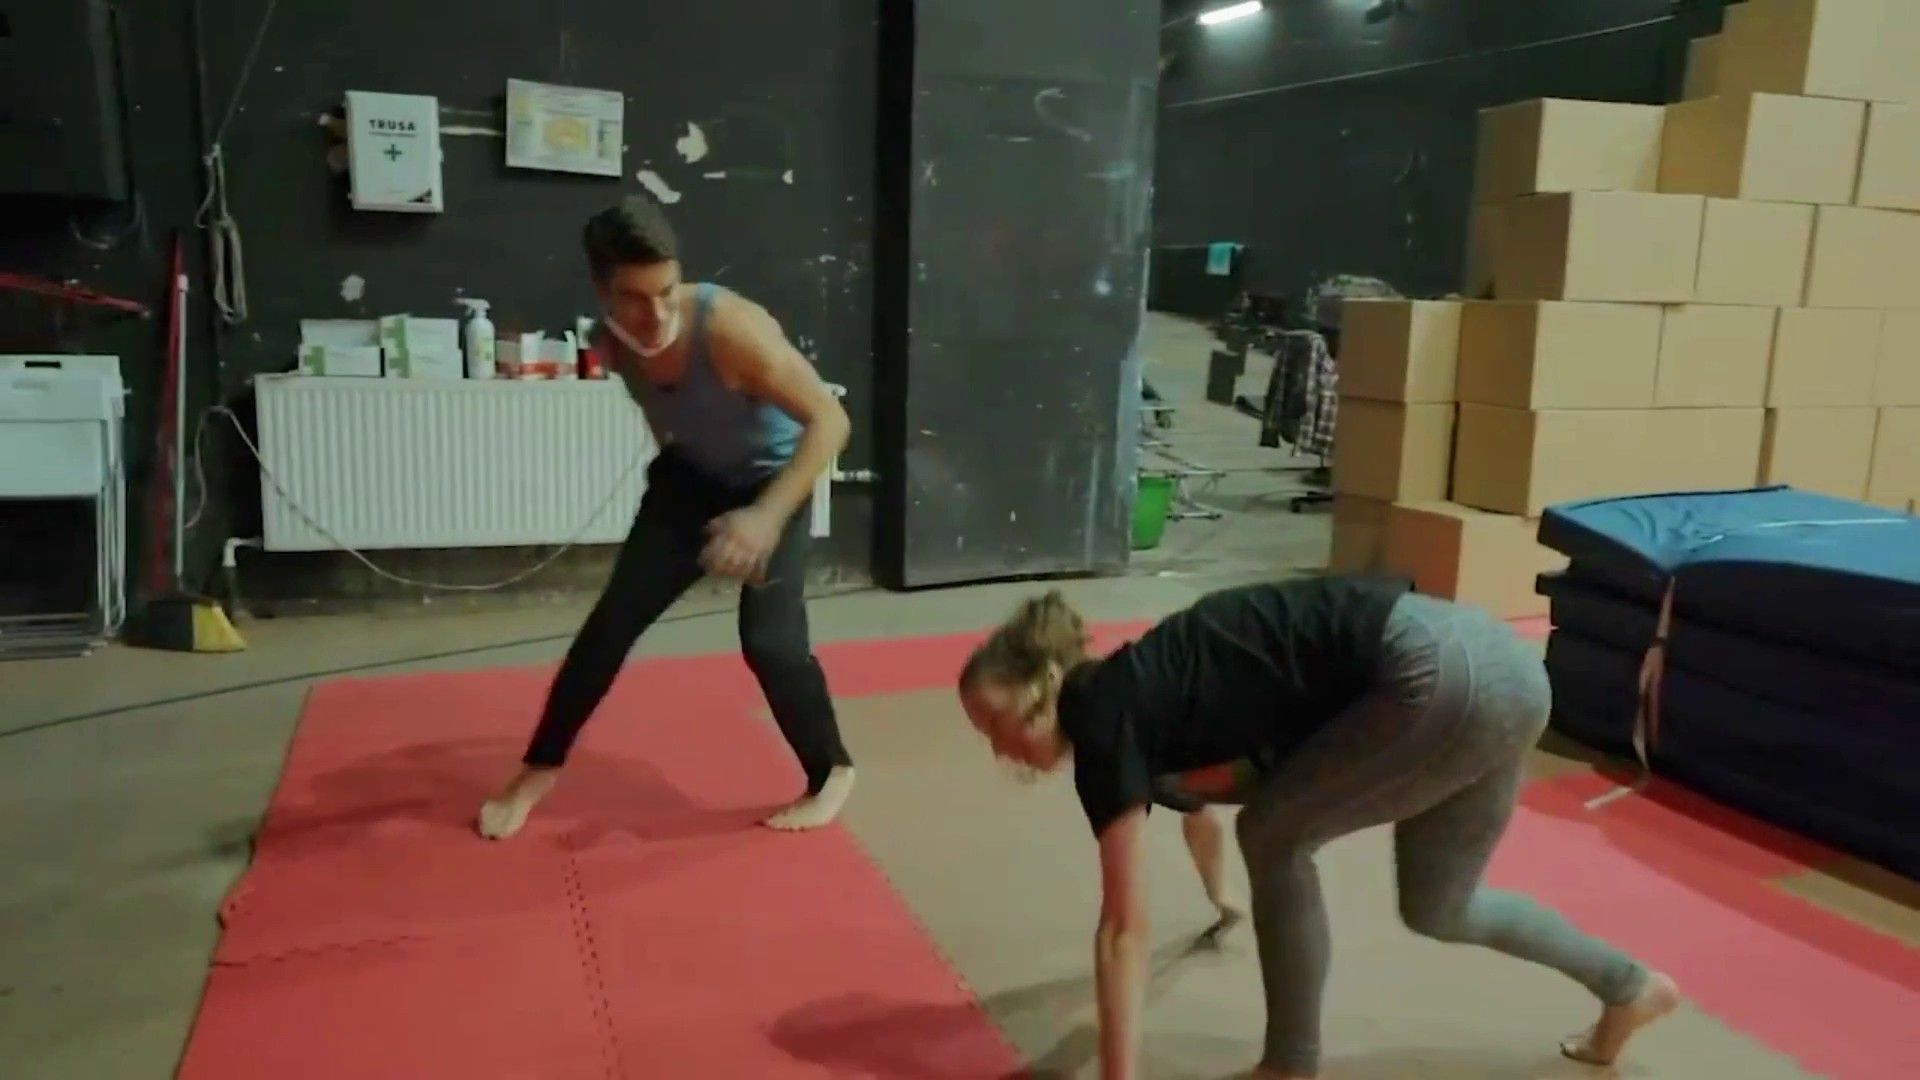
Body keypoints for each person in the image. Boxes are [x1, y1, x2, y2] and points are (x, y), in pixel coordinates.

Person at [956, 577, 1680, 1080]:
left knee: (1273, 833)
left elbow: (1122, 931)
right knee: (1441, 905)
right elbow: (1194, 811)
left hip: (1432, 674)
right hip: (1506, 670)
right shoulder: (1149, 698)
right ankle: (1630, 987)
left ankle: (1289, 1064)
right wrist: (1223, 902)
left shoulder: (1099, 716)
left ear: (1044, 687)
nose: (997, 747)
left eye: (995, 722)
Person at [479, 197, 856, 839]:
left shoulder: (731, 330)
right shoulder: (612, 345)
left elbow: (831, 421)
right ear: (602, 290)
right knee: (609, 627)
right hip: (690, 480)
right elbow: (674, 420)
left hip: (772, 483)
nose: (655, 316)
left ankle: (832, 771)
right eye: (634, 298)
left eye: (666, 292)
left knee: (771, 643)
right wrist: (684, 506)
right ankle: (537, 770)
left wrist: (763, 520)